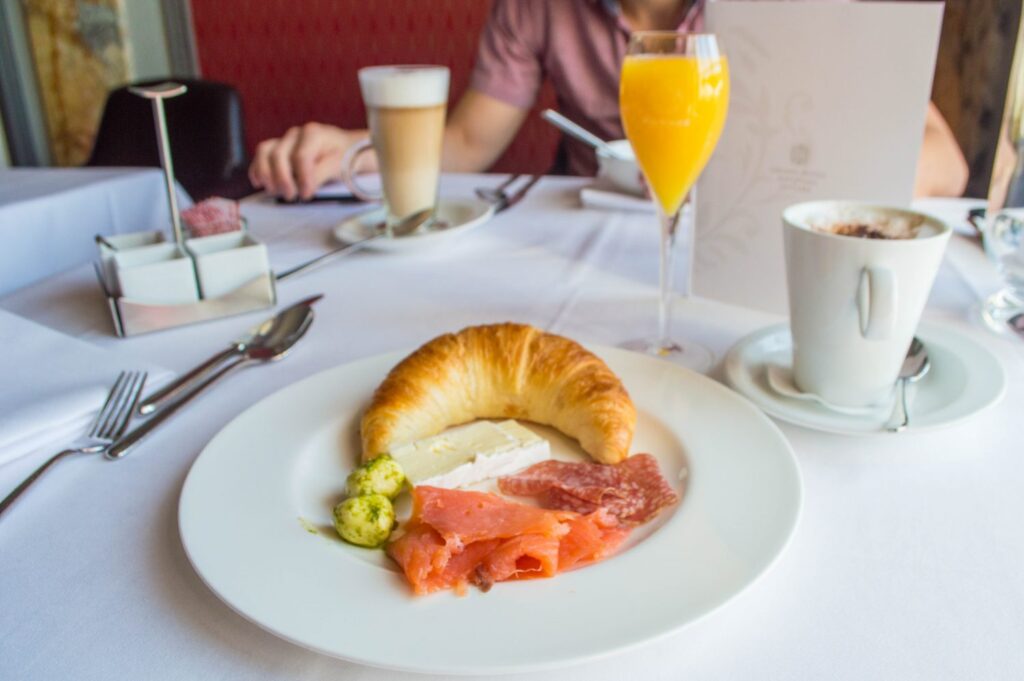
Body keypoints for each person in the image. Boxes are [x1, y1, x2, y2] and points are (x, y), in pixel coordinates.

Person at [248, 0, 969, 201]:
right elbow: (467, 144)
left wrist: (809, 190)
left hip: (744, 247)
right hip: (601, 232)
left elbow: (944, 161)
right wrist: (347, 147)